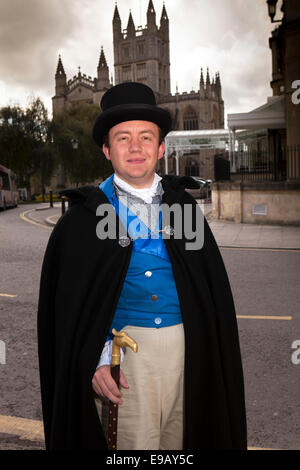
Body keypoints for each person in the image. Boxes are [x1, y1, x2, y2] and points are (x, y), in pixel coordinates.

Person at [37, 82, 247, 451]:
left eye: (146, 137)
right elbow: (68, 314)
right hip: (126, 361)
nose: (136, 147)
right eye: (123, 138)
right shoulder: (81, 221)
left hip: (190, 357)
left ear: (161, 147)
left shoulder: (185, 210)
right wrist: (97, 356)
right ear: (106, 149)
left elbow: (209, 297)